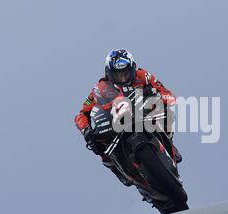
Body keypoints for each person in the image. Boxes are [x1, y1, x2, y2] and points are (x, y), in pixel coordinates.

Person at [74, 49, 181, 186]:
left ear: (133, 68)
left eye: (126, 73)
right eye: (118, 75)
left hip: (144, 112)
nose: (123, 78)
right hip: (116, 122)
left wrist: (157, 95)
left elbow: (169, 95)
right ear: (109, 73)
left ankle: (170, 144)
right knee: (96, 143)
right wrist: (86, 129)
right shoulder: (100, 87)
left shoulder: (143, 75)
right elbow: (81, 114)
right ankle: (117, 170)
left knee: (167, 113)